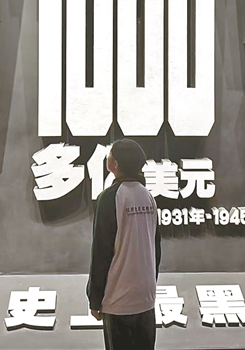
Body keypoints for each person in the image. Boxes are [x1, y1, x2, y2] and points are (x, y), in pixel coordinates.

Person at [87, 139, 161, 350]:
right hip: (145, 297)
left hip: (118, 299)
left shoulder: (110, 198)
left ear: (115, 164)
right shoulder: (148, 196)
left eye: (110, 154)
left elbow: (101, 252)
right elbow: (156, 249)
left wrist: (95, 298)